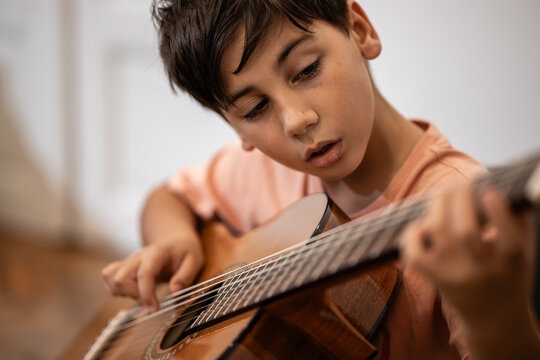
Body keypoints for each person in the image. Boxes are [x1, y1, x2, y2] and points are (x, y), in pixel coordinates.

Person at [101, 0, 540, 359]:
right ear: (236, 130)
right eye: (255, 109)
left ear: (360, 29)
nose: (296, 120)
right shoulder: (266, 169)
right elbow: (166, 197)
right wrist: (176, 239)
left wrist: (494, 317)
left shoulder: (463, 206)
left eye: (307, 70)